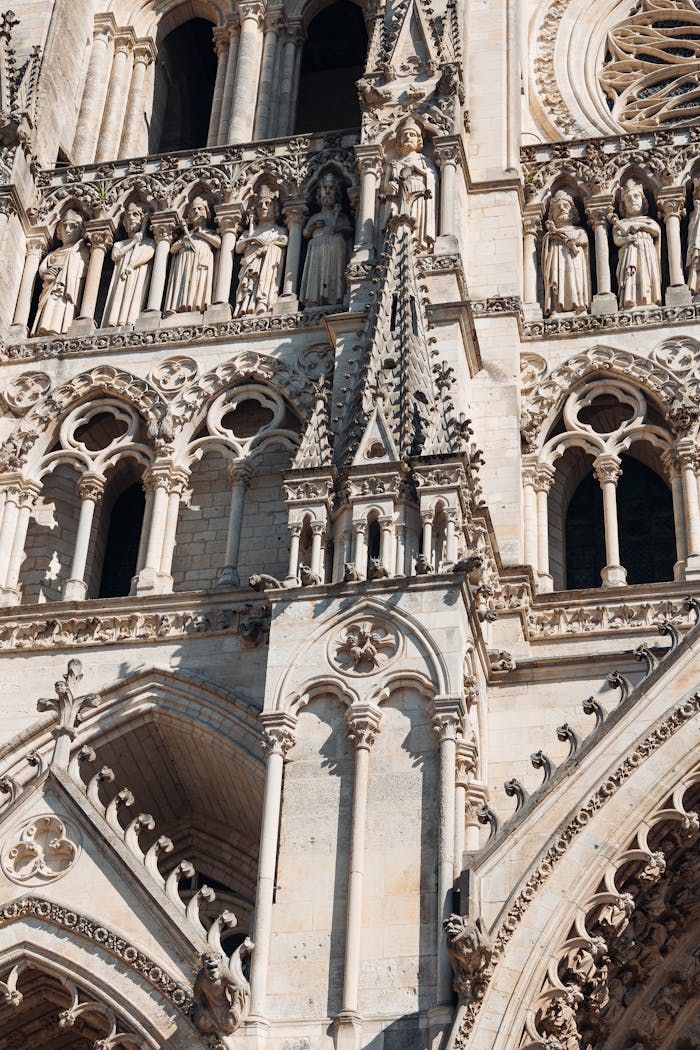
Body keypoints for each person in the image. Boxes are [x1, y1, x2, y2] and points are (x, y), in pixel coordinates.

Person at [31, 209, 89, 336]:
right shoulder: (54, 252)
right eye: (64, 226)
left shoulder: (81, 251)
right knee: (49, 306)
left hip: (67, 287)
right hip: (51, 286)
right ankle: (44, 329)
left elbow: (85, 270)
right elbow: (42, 269)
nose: (68, 230)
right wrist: (48, 273)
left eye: (73, 226)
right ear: (59, 231)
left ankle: (61, 329)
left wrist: (66, 271)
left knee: (63, 306)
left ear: (81, 231)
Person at [299, 171, 353, 307]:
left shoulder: (341, 216)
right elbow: (305, 233)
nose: (328, 192)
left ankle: (334, 299)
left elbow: (349, 229)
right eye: (325, 188)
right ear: (319, 192)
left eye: (331, 188)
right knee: (318, 275)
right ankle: (314, 300)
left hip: (336, 249)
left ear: (337, 193)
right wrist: (312, 227)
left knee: (332, 277)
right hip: (317, 250)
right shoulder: (315, 217)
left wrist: (339, 227)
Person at [234, 185, 288, 316]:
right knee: (247, 286)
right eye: (259, 205)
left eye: (268, 204)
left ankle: (263, 303)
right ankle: (245, 306)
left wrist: (268, 247)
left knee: (264, 283)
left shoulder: (279, 231)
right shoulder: (249, 232)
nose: (263, 207)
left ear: (275, 208)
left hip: (268, 271)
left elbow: (284, 241)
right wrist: (249, 241)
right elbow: (238, 248)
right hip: (249, 268)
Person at [383, 117, 436, 248]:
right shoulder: (394, 162)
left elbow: (433, 178)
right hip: (398, 196)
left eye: (412, 135)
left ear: (418, 140)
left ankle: (417, 243)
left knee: (415, 224)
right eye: (404, 135)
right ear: (399, 140)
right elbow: (385, 186)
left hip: (417, 195)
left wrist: (418, 170)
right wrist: (389, 187)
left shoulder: (423, 160)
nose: (408, 137)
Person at [164, 196, 220, 313]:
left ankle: (197, 305)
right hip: (185, 260)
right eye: (193, 209)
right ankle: (177, 306)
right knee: (184, 280)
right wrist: (183, 242)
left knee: (198, 281)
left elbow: (218, 243)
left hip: (201, 259)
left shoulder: (209, 232)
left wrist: (202, 234)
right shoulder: (186, 234)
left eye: (200, 209)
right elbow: (173, 249)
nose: (196, 211)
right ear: (188, 215)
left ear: (206, 213)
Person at [103, 201, 155, 325]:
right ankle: (113, 321)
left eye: (136, 215)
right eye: (128, 216)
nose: (131, 218)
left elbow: (149, 253)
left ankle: (129, 320)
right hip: (120, 275)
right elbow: (115, 255)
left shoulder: (148, 242)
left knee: (133, 297)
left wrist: (132, 265)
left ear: (142, 220)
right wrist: (133, 242)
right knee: (118, 296)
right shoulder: (120, 244)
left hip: (136, 274)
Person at [613, 178, 661, 308]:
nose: (633, 200)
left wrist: (641, 227)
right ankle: (629, 300)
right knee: (630, 276)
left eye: (636, 197)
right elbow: (617, 240)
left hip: (646, 252)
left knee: (645, 274)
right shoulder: (621, 224)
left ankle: (648, 299)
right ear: (623, 205)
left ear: (643, 201)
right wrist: (627, 240)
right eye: (628, 199)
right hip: (629, 252)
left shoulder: (647, 220)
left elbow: (656, 230)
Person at [542, 190, 590, 315]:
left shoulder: (579, 230)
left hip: (575, 261)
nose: (562, 209)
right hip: (557, 260)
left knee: (574, 281)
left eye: (566, 206)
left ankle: (578, 304)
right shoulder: (551, 235)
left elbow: (583, 240)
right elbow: (546, 248)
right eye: (558, 207)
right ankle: (556, 307)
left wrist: (571, 242)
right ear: (552, 214)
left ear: (573, 212)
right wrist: (553, 234)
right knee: (559, 280)